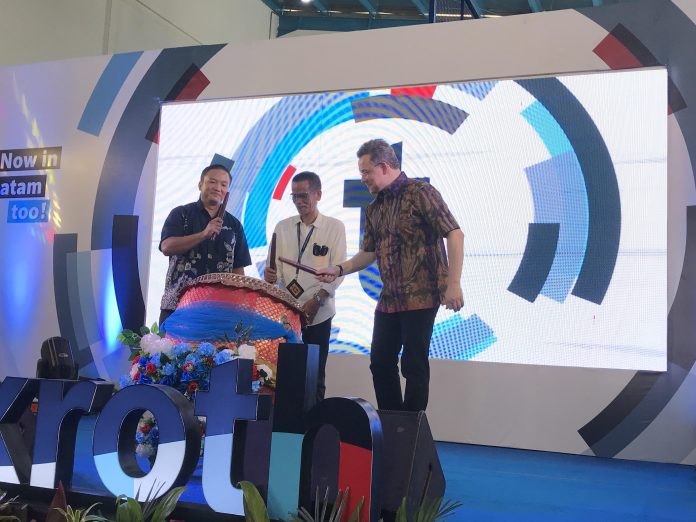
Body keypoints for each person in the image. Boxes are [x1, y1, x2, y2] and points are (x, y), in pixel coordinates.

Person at [317, 139, 464, 412]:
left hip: (422, 296)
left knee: (413, 365)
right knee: (380, 362)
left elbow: (455, 234)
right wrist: (338, 269)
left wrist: (453, 284)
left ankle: (410, 426)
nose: (363, 178)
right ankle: (392, 420)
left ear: (383, 167)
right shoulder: (374, 208)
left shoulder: (421, 192)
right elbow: (368, 253)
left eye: (365, 172)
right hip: (389, 299)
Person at [265, 171, 346, 402]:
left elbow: (338, 271)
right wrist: (270, 275)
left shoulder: (334, 227)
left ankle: (314, 422)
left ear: (318, 195)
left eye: (304, 196)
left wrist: (317, 300)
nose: (299, 201)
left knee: (315, 374)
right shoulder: (282, 227)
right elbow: (274, 271)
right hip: (287, 313)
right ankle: (286, 422)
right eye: (294, 196)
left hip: (319, 312)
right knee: (285, 374)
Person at [159, 164, 251, 325]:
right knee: (170, 342)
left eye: (223, 185)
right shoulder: (181, 214)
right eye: (212, 182)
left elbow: (238, 270)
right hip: (178, 305)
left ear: (227, 191)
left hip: (219, 308)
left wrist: (239, 304)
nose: (218, 188)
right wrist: (203, 234)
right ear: (200, 184)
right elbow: (167, 247)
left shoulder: (234, 225)